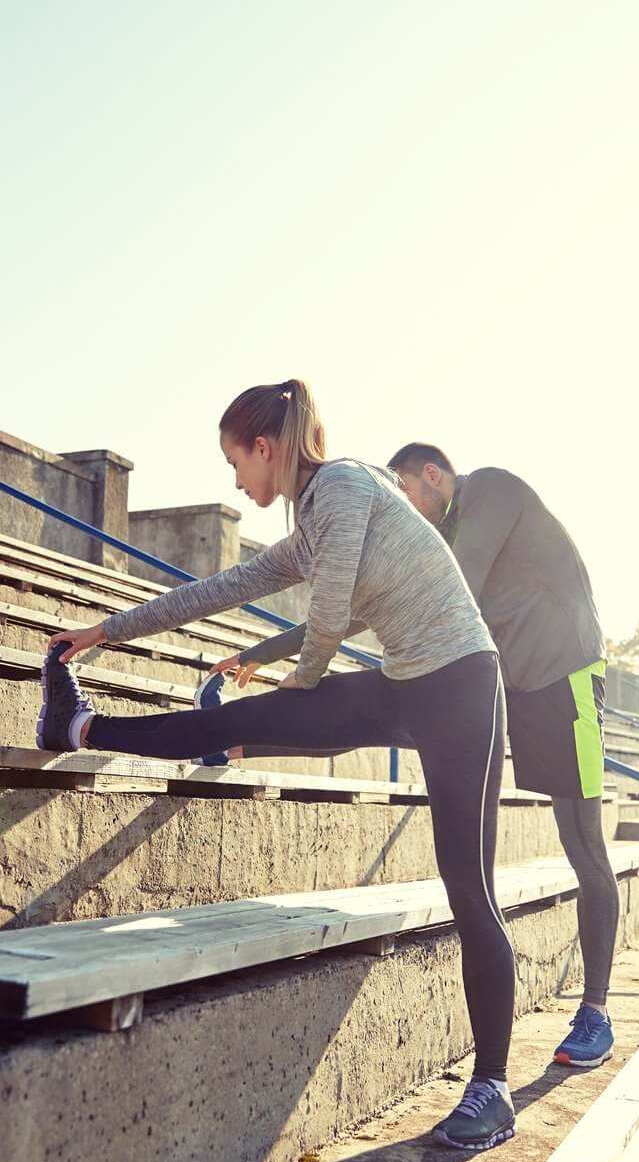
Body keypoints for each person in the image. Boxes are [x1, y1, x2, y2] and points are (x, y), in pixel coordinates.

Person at [39, 381, 520, 1150]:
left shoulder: (345, 486)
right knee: (245, 717)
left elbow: (331, 615)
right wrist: (108, 631)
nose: (235, 481)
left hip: (461, 684)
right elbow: (217, 590)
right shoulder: (311, 528)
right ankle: (82, 725)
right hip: (405, 682)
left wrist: (299, 683)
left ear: (266, 448)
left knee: (471, 889)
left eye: (236, 462)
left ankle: (491, 1089)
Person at [216, 444, 617, 1068]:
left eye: (406, 494)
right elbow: (363, 609)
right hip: (507, 683)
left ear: (433, 475)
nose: (405, 512)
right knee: (385, 713)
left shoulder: (490, 490)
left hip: (563, 674)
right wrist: (266, 653)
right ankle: (234, 740)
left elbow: (455, 587)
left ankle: (596, 1011)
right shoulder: (441, 530)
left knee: (583, 843)